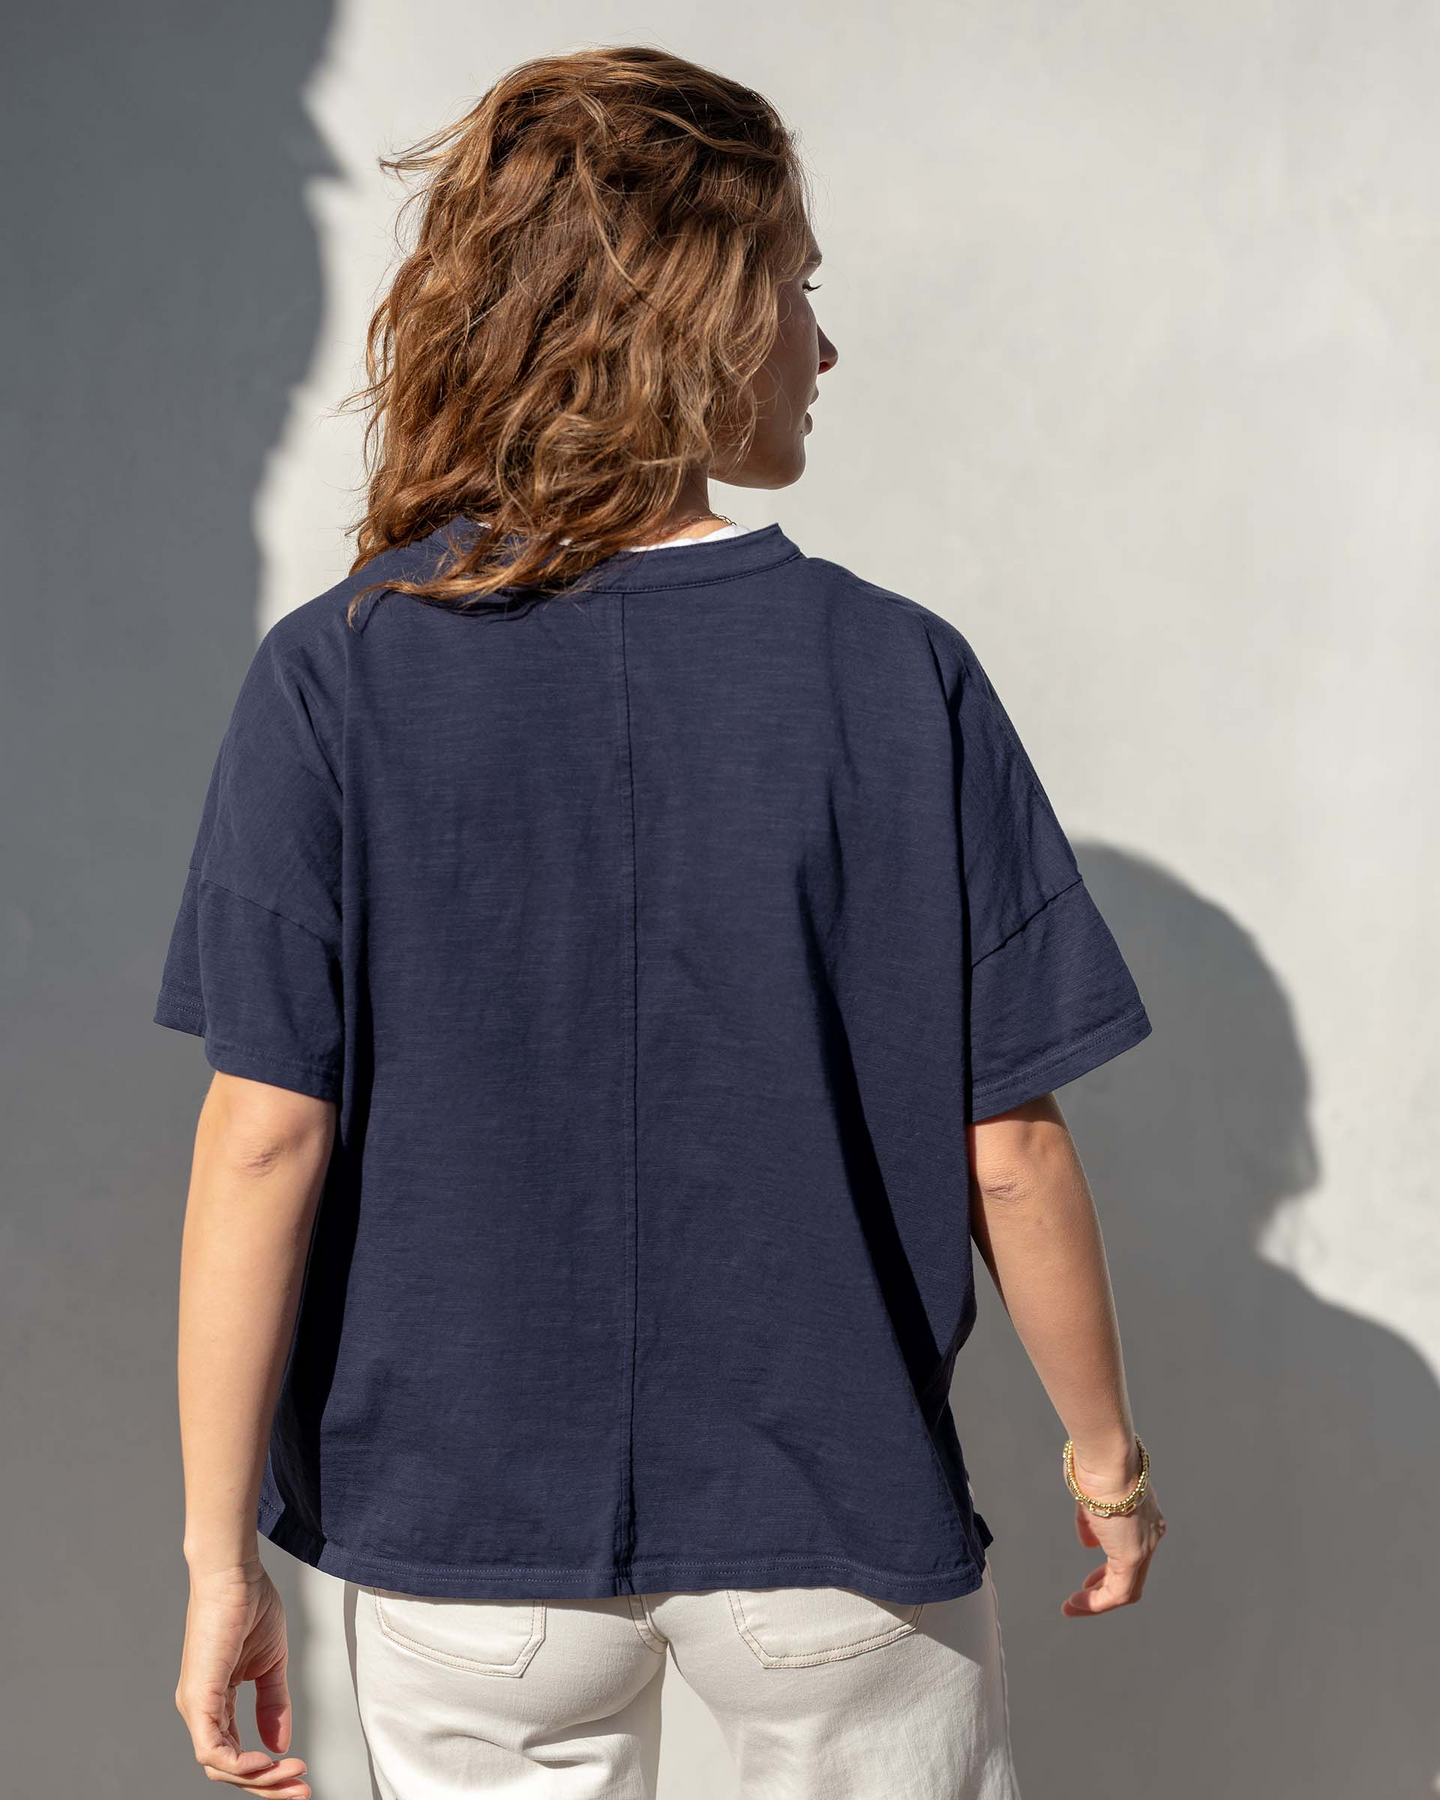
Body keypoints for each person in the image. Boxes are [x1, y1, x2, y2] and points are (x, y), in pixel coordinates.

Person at [157, 44, 1166, 1800]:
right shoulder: (896, 673)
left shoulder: (335, 672)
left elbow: (261, 1138)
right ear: (696, 311)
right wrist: (1107, 1462)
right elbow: (1006, 1148)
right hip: (837, 1525)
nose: (823, 349)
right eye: (798, 288)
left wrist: (215, 1558)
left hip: (462, 1540)